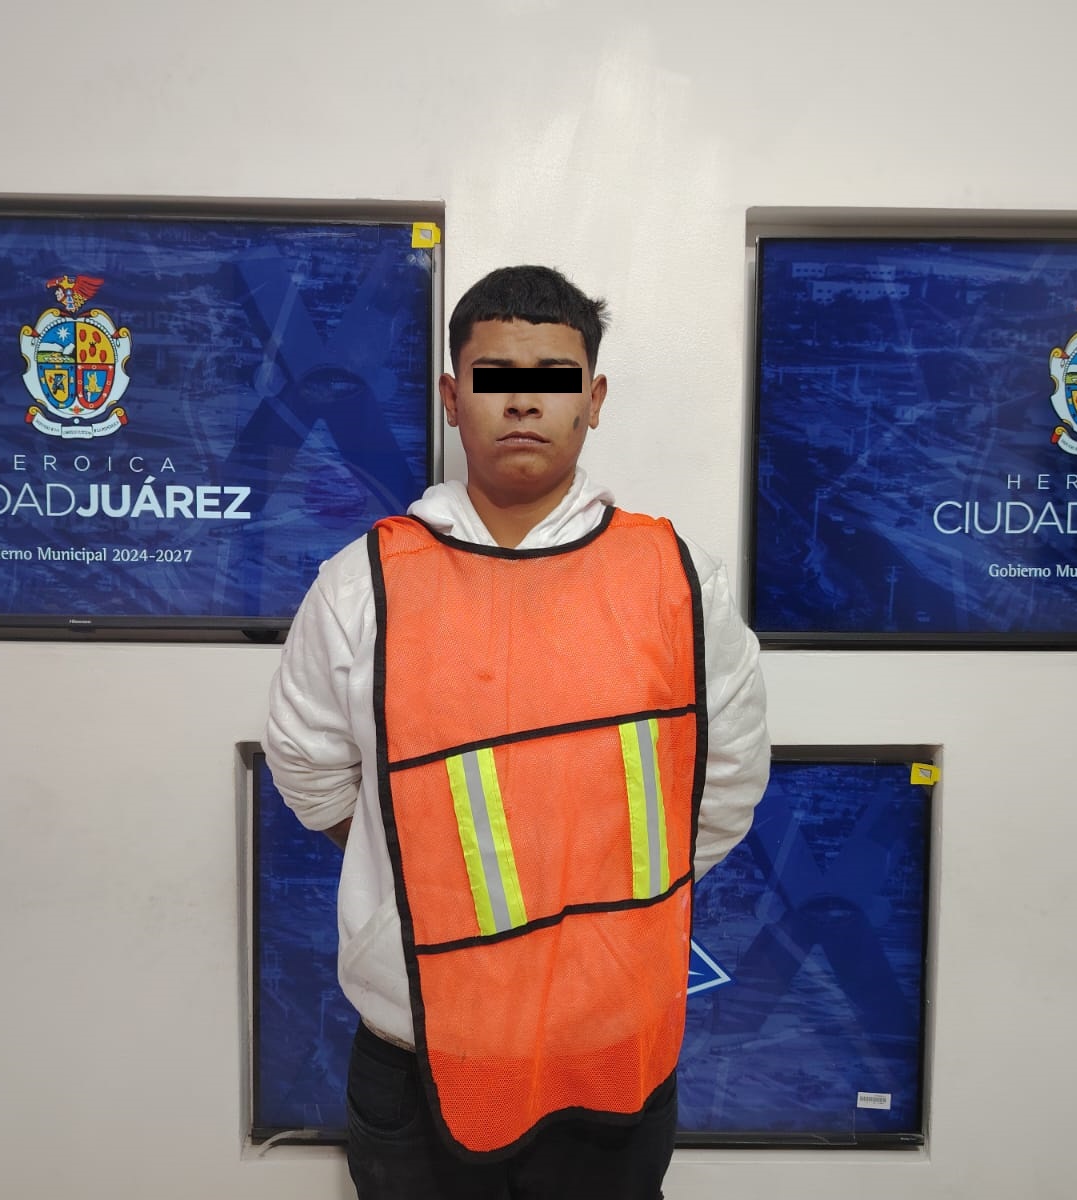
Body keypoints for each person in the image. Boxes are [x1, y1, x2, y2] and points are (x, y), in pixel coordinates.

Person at [264, 265, 769, 1199]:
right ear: (453, 398)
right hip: (418, 1044)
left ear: (594, 399)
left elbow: (724, 784)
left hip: (613, 1039)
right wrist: (414, 873)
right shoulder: (362, 583)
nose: (525, 402)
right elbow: (311, 774)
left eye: (554, 379)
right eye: (495, 377)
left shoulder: (678, 578)